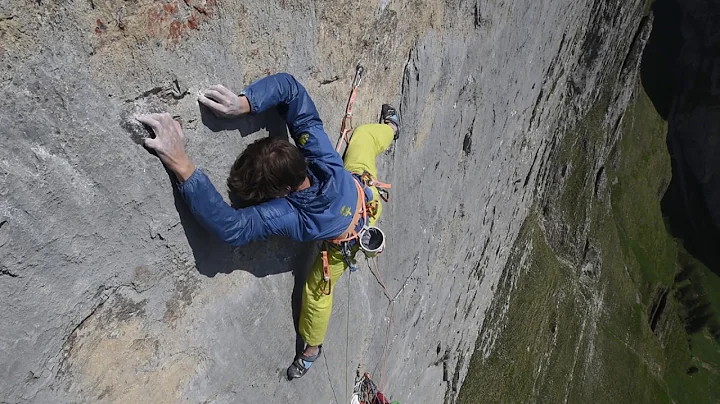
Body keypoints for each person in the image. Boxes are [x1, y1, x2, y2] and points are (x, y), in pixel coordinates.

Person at [137, 73, 399, 380]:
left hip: (345, 242)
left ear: (281, 193)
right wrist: (244, 103)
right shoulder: (317, 151)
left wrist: (181, 162)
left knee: (317, 293)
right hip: (365, 195)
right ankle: (391, 129)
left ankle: (312, 349)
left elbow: (232, 227)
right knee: (365, 137)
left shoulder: (291, 215)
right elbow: (291, 89)